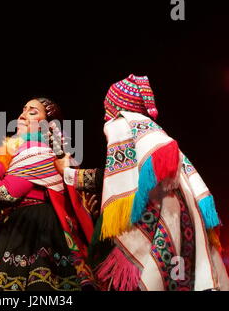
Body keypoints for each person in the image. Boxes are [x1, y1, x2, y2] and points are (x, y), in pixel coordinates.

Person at [55, 74, 229, 291]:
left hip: (159, 223)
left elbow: (123, 180)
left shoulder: (123, 125)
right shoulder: (153, 134)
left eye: (107, 107)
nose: (105, 116)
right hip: (179, 225)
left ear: (117, 106)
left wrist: (69, 174)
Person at [0, 97, 96, 291]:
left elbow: (5, 194)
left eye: (32, 111)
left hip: (34, 226)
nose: (22, 115)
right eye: (23, 109)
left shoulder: (36, 150)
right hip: (23, 222)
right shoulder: (46, 152)